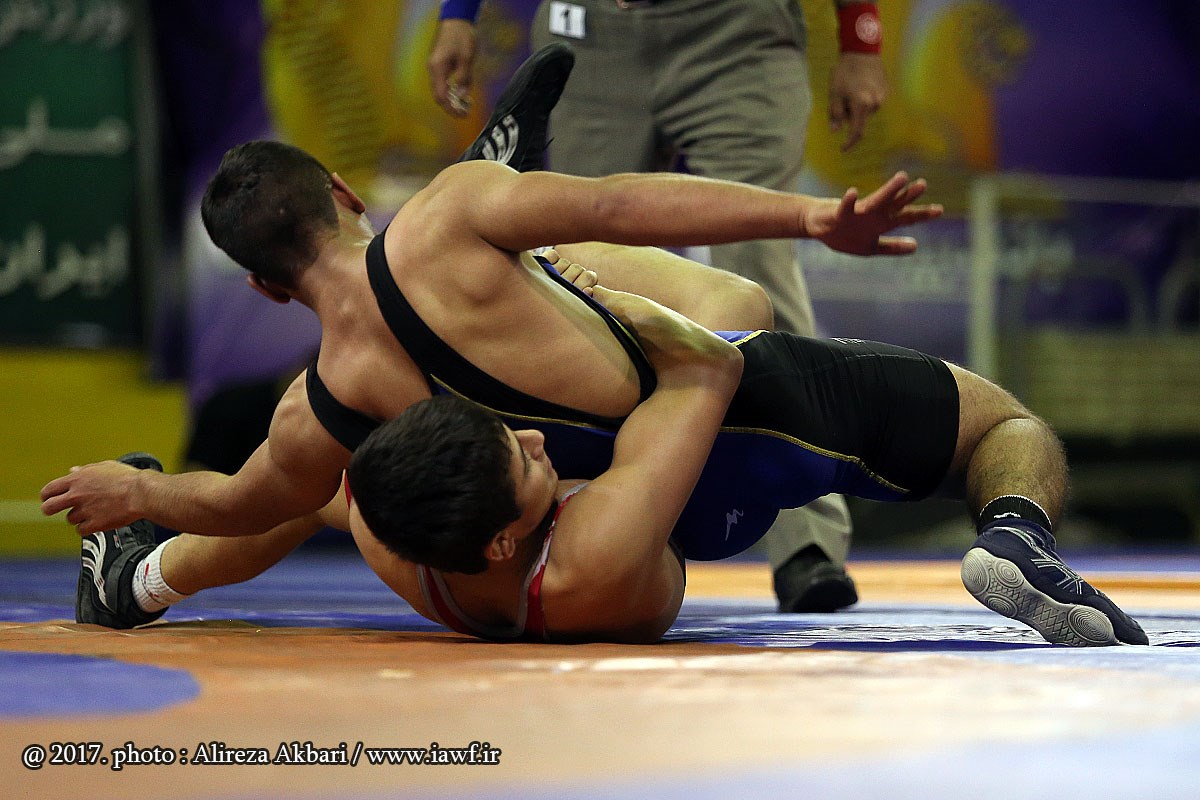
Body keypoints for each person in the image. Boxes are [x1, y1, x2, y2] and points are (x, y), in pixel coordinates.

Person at [40, 50, 941, 630]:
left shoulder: (318, 409)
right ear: (345, 193)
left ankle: (137, 584)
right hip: (658, 479)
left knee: (335, 486)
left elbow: (240, 502)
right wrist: (812, 217)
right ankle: (522, 224)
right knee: (731, 301)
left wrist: (136, 489)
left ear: (265, 288)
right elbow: (622, 205)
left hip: (576, 544)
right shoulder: (442, 222)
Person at [339, 283, 1148, 647]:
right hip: (739, 432)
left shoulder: (389, 532)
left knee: (735, 304)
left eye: (507, 434)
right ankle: (1015, 534)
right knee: (1002, 424)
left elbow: (298, 492)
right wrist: (599, 299)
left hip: (675, 493)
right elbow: (709, 367)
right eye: (520, 462)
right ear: (501, 543)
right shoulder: (591, 558)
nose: (533, 440)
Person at [429, 0, 891, 613]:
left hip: (737, 31)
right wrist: (458, 13)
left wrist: (861, 40)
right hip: (592, 32)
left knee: (758, 266)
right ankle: (578, 520)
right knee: (574, 278)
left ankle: (805, 541)